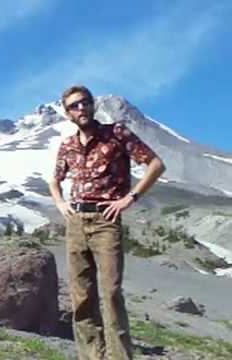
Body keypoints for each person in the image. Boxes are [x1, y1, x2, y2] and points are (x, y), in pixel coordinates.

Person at [49, 85, 165, 360]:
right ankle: (91, 356)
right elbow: (54, 180)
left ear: (93, 105)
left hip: (106, 220)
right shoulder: (67, 145)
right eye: (74, 106)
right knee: (81, 295)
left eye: (85, 103)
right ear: (67, 113)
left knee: (111, 292)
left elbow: (156, 164)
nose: (81, 109)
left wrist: (130, 198)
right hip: (76, 221)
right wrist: (60, 204)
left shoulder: (116, 133)